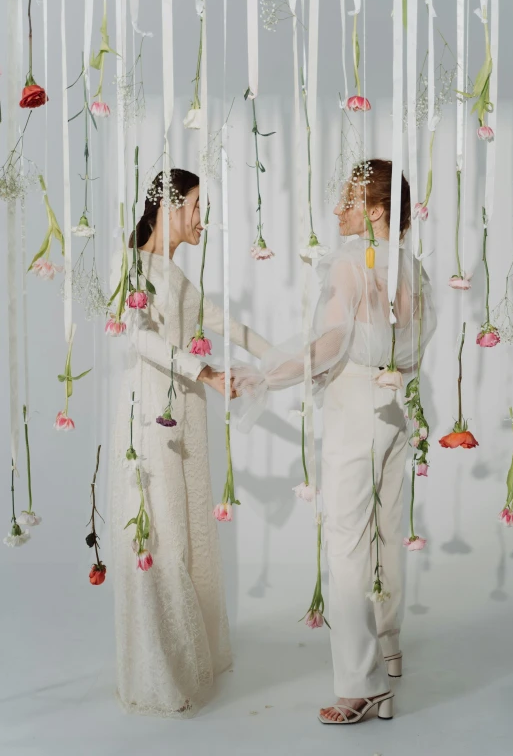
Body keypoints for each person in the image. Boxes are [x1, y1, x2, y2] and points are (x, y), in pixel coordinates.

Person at [230, 159, 437, 724]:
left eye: (347, 201)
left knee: (346, 542)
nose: (336, 209)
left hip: (355, 411)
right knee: (386, 529)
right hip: (397, 408)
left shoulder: (351, 261)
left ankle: (361, 684)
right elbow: (413, 342)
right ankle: (389, 646)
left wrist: (264, 377)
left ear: (375, 211)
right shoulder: (410, 265)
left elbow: (326, 347)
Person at [109, 169, 270, 718]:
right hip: (155, 410)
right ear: (170, 206)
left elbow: (218, 320)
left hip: (188, 416)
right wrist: (202, 371)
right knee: (162, 527)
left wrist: (284, 359)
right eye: (198, 205)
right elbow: (141, 337)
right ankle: (159, 666)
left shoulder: (176, 274)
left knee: (191, 528)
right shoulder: (131, 266)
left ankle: (189, 655)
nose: (204, 218)